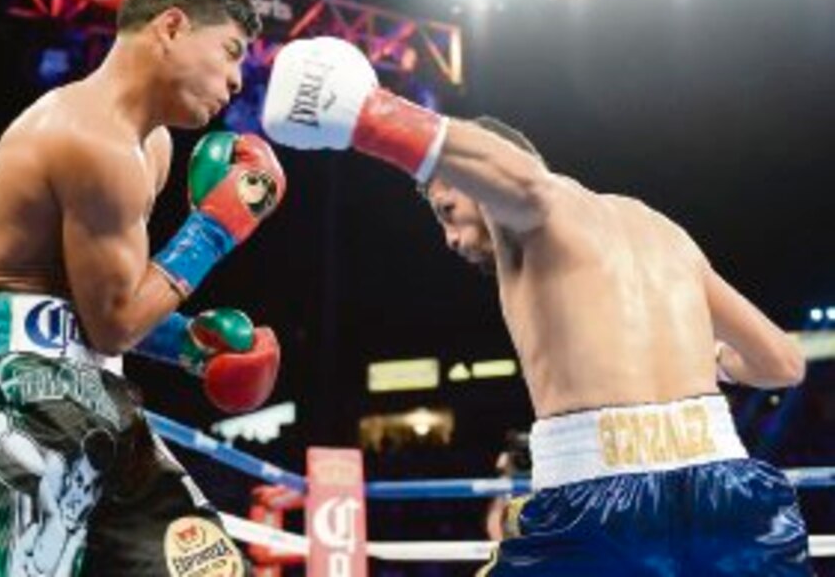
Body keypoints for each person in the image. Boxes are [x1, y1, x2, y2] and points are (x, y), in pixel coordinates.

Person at [259, 37, 812, 575]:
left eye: (447, 210)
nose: (449, 238)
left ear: (479, 177)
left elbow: (526, 183)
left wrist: (370, 117)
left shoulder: (539, 210)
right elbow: (782, 362)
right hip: (728, 492)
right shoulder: (663, 231)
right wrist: (707, 360)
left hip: (601, 505)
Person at [0, 0, 286, 576]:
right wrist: (216, 228)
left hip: (99, 398)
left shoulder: (152, 147)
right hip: (7, 396)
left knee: (209, 568)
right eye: (231, 51)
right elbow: (112, 324)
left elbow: (96, 306)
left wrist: (186, 343)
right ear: (171, 27)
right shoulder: (89, 136)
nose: (239, 80)